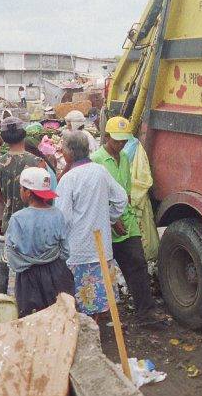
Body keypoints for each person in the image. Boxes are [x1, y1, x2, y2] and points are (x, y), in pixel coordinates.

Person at [91, 116, 164, 324]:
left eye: (124, 140)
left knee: (138, 264)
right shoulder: (96, 160)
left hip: (127, 221)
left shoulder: (124, 158)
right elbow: (97, 197)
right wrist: (113, 220)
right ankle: (102, 313)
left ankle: (146, 313)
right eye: (117, 140)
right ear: (106, 137)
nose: (120, 144)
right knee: (104, 269)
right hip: (107, 223)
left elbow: (126, 191)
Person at [54, 130, 128, 318]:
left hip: (78, 249)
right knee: (97, 301)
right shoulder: (100, 171)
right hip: (101, 246)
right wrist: (108, 219)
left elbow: (63, 217)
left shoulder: (68, 179)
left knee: (77, 304)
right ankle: (95, 331)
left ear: (68, 153)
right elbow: (121, 199)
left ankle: (85, 336)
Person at [6, 167, 74, 317]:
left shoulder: (18, 218)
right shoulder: (57, 214)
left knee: (32, 320)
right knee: (59, 316)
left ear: (28, 192)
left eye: (21, 188)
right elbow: (65, 251)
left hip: (28, 277)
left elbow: (12, 255)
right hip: (57, 273)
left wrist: (30, 262)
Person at [0, 116, 44, 234]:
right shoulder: (38, 162)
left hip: (10, 223)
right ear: (24, 134)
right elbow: (44, 194)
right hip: (35, 223)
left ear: (4, 138)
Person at [121, 126, 160, 262]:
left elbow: (144, 179)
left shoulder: (133, 147)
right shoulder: (133, 146)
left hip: (133, 199)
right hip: (133, 199)